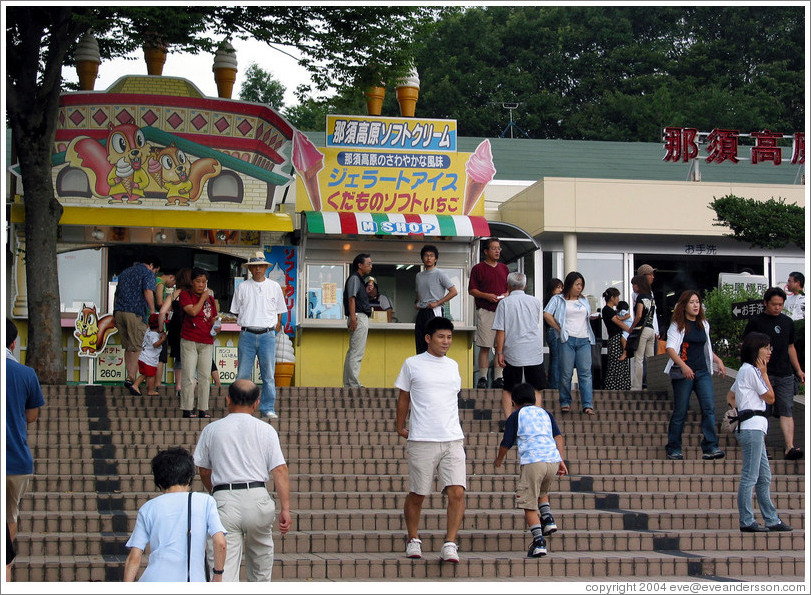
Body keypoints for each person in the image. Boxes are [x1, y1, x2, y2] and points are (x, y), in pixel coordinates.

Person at [193, 379, 291, 582]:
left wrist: (215, 491)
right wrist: (285, 509)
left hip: (224, 500)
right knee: (261, 569)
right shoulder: (266, 430)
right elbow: (280, 470)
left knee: (224, 570)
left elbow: (203, 470)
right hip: (258, 498)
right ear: (257, 403)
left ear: (228, 400)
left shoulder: (212, 430)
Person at [395, 317, 465, 564]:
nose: (446, 341)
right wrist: (400, 425)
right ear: (428, 338)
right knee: (418, 493)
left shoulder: (453, 366)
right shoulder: (412, 364)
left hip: (453, 438)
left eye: (449, 337)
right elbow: (404, 398)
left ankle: (450, 543)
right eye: (441, 337)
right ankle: (413, 538)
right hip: (422, 438)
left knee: (457, 491)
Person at [124, 447, 227, 582]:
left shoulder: (148, 508)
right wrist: (218, 575)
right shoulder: (205, 502)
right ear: (189, 478)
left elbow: (134, 557)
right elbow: (220, 543)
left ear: (159, 482)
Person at [726, 332, 793, 533]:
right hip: (752, 428)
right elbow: (771, 398)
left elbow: (731, 395)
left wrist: (742, 408)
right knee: (750, 476)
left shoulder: (746, 370)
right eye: (766, 348)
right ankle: (747, 520)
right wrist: (764, 374)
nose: (769, 351)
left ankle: (771, 519)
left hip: (754, 428)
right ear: (756, 349)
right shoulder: (751, 371)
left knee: (764, 476)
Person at [493, 383, 568, 558]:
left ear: (513, 402)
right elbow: (558, 437)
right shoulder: (545, 414)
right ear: (534, 400)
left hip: (534, 462)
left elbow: (507, 441)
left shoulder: (516, 415)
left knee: (528, 503)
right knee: (541, 492)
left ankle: (539, 542)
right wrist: (561, 460)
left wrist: (499, 459)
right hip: (552, 462)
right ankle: (548, 519)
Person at [663, 290, 727, 460]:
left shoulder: (703, 324)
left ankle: (710, 446)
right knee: (681, 411)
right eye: (691, 302)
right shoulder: (677, 325)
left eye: (697, 302)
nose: (695, 305)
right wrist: (683, 366)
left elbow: (706, 348)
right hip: (683, 373)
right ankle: (674, 447)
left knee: (709, 408)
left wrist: (718, 361)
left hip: (702, 371)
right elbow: (670, 348)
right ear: (684, 306)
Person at [743, 287, 805, 460]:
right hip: (763, 372)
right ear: (765, 303)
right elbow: (747, 345)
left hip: (785, 372)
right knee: (763, 410)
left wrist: (798, 370)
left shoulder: (787, 322)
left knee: (786, 409)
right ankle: (761, 448)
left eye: (780, 304)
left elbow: (790, 347)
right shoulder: (756, 322)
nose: (777, 307)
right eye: (774, 304)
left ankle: (789, 447)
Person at [5, 320, 45, 581]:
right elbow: (31, 416)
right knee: (10, 516)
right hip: (16, 460)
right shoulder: (26, 374)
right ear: (13, 343)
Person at [229, 251, 287, 420]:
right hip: (247, 333)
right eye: (255, 266)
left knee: (268, 375)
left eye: (261, 266)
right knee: (242, 374)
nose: (258, 269)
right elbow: (236, 310)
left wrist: (274, 325)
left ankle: (268, 407)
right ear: (250, 269)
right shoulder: (242, 287)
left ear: (265, 268)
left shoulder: (274, 287)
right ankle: (241, 406)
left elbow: (280, 311)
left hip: (267, 334)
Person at [493, 272, 546, 420]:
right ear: (525, 286)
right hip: (533, 348)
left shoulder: (504, 303)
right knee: (536, 387)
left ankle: (509, 420)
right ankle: (536, 419)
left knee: (509, 388)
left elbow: (501, 330)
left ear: (508, 286)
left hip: (513, 349)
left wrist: (499, 352)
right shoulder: (535, 302)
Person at [543, 271, 597, 415]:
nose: (580, 288)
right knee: (566, 372)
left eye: (581, 285)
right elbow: (547, 314)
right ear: (570, 284)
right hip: (567, 339)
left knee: (585, 373)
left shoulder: (583, 300)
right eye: (577, 284)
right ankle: (565, 402)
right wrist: (559, 328)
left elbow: (587, 315)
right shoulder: (558, 299)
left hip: (584, 338)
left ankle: (587, 404)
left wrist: (591, 316)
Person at [113, 255, 161, 394]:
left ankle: (130, 376)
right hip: (135, 313)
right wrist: (152, 311)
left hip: (119, 312)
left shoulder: (125, 272)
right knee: (138, 346)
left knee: (128, 346)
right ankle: (135, 381)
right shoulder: (148, 273)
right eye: (156, 270)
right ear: (152, 265)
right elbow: (148, 291)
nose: (155, 273)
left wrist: (115, 312)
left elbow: (116, 295)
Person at [468, 237, 510, 389]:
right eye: (494, 248)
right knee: (485, 345)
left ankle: (499, 377)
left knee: (500, 346)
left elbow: (509, 289)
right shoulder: (478, 268)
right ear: (486, 251)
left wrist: (506, 294)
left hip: (502, 311)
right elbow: (472, 290)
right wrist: (486, 296)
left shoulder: (504, 268)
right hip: (485, 310)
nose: (497, 251)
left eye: (499, 248)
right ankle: (483, 377)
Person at [179, 267, 219, 418]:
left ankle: (203, 408)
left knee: (205, 376)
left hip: (207, 340)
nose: (201, 285)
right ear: (192, 282)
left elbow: (213, 317)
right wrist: (203, 298)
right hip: (189, 339)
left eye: (204, 282)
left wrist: (216, 326)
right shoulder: (185, 295)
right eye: (198, 281)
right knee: (189, 375)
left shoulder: (211, 299)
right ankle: (187, 408)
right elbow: (193, 311)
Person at [414, 245, 458, 354]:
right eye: (426, 255)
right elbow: (418, 293)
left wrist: (437, 303)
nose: (428, 258)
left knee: (436, 342)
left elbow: (453, 291)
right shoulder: (419, 275)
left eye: (431, 255)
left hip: (435, 311)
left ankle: (439, 363)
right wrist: (416, 303)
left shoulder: (440, 273)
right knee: (420, 341)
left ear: (436, 259)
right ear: (422, 258)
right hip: (422, 311)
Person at [159, 267, 192, 398]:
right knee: (191, 356)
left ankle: (178, 385)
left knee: (178, 356)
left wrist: (161, 330)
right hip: (189, 326)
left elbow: (162, 312)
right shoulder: (193, 294)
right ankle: (189, 384)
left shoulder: (173, 294)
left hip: (175, 326)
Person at [343, 253, 373, 388]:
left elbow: (355, 298)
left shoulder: (358, 279)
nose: (371, 266)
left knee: (352, 351)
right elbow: (351, 299)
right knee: (357, 352)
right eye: (368, 264)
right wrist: (354, 318)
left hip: (357, 316)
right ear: (360, 265)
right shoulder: (355, 278)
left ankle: (349, 383)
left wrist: (365, 291)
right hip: (359, 317)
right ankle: (353, 384)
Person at [631, 264, 659, 387]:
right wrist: (656, 330)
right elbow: (653, 314)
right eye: (650, 274)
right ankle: (651, 385)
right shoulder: (648, 294)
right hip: (651, 329)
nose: (653, 277)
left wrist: (631, 328)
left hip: (643, 329)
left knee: (639, 359)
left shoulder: (640, 295)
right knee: (650, 359)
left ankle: (637, 386)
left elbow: (639, 315)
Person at [601, 288, 631, 390]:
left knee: (621, 364)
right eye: (617, 297)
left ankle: (621, 386)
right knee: (615, 364)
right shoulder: (607, 310)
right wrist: (630, 330)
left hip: (617, 338)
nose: (618, 299)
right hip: (615, 338)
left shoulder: (613, 311)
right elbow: (619, 323)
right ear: (612, 298)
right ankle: (614, 387)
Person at [132, 313, 166, 397]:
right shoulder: (154, 335)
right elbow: (155, 344)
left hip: (143, 357)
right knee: (151, 375)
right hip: (149, 360)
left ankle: (135, 385)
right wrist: (162, 340)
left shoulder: (148, 331)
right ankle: (150, 390)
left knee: (144, 374)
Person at [154, 270, 176, 386]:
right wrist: (168, 307)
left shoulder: (154, 281)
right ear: (171, 276)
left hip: (153, 321)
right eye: (174, 282)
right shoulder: (160, 283)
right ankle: (157, 383)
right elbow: (159, 302)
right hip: (157, 321)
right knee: (160, 355)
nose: (173, 285)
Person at [543, 278, 564, 390]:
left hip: (550, 331)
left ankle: (552, 384)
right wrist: (558, 328)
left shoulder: (548, 300)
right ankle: (555, 385)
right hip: (554, 331)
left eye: (561, 287)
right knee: (557, 359)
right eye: (558, 287)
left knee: (554, 358)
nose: (560, 290)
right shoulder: (555, 300)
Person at [784, 271, 805, 376]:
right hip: (788, 334)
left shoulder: (805, 298)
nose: (787, 284)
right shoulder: (787, 300)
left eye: (790, 281)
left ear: (798, 283)